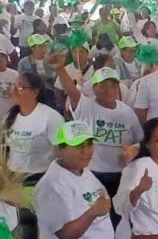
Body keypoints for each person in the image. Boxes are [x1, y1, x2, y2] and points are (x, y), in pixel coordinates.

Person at [58, 64, 142, 208]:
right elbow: (71, 90)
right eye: (103, 85)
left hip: (121, 175)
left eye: (113, 85)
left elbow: (141, 140)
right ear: (94, 88)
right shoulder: (85, 106)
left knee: (118, 214)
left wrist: (134, 150)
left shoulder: (127, 112)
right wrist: (59, 68)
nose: (109, 90)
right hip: (92, 174)